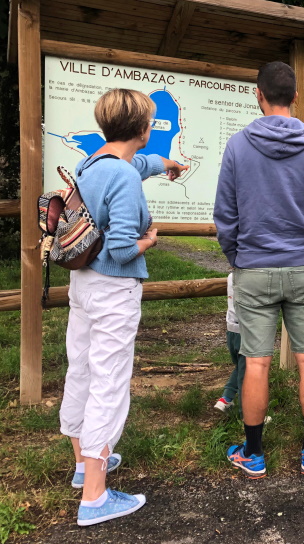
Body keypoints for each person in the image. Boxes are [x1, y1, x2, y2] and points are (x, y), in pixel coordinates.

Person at [59, 88, 188, 526]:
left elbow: (139, 164)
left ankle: (82, 465)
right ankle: (95, 497)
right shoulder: (124, 176)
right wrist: (149, 240)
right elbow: (120, 248)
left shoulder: (91, 164)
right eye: (151, 123)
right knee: (109, 382)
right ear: (141, 129)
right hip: (115, 289)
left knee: (82, 369)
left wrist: (170, 163)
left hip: (83, 285)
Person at [214, 61, 304, 479]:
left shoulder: (237, 146)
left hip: (253, 268)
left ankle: (253, 454)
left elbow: (225, 216)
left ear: (258, 94)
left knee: (256, 363)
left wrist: (240, 258)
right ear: (296, 96)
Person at [214, 271, 245, 412]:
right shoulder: (250, 275)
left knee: (240, 367)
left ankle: (225, 399)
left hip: (231, 331)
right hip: (245, 333)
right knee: (248, 374)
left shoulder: (231, 276)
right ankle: (247, 413)